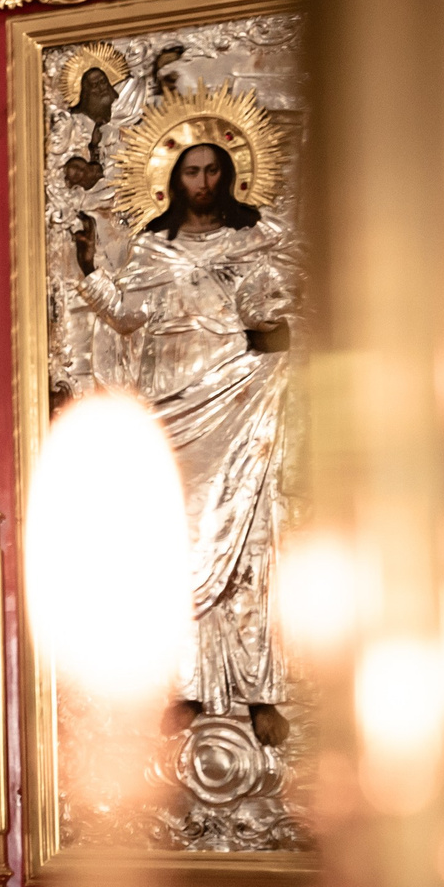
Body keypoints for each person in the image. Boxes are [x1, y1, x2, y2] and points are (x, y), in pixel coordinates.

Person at [72, 139, 298, 744]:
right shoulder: (152, 248)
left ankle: (260, 695)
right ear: (174, 179)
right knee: (175, 540)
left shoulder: (253, 242)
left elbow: (272, 317)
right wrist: (92, 270)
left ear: (227, 177)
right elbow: (124, 316)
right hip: (171, 406)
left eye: (211, 171)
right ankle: (183, 685)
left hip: (237, 402)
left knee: (248, 541)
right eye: (191, 172)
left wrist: (264, 316)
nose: (201, 181)